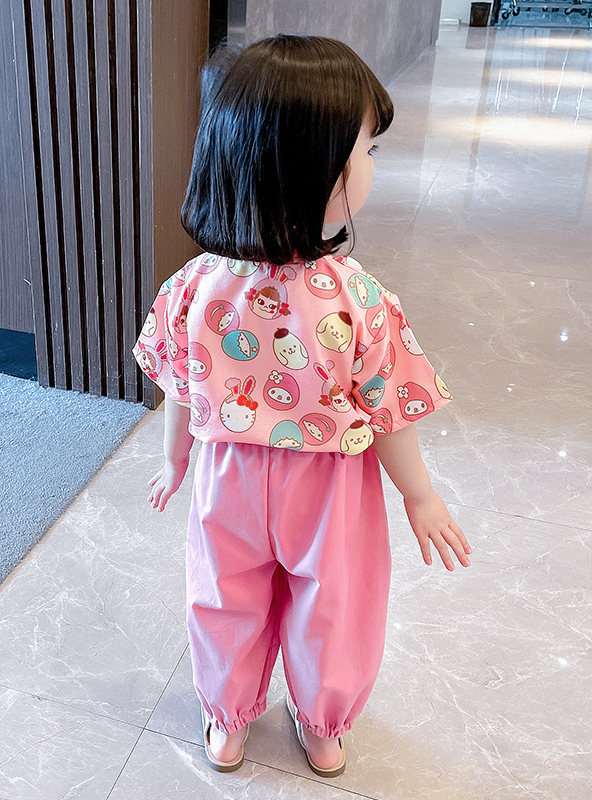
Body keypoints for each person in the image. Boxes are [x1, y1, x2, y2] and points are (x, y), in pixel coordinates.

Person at [133, 34, 471, 778]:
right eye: (365, 153)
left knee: (224, 594)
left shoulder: (193, 287)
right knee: (335, 605)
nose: (372, 166)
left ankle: (227, 723)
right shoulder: (359, 300)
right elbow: (387, 412)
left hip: (228, 473)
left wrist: (174, 460)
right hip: (330, 487)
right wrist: (419, 495)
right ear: (313, 170)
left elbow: (180, 387)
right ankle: (323, 726)